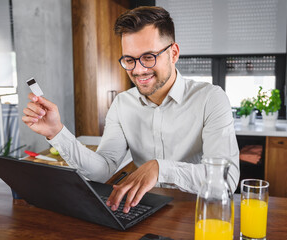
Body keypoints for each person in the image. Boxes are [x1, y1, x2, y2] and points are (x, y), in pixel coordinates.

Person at [22, 6, 239, 214]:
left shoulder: (210, 98)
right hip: (142, 212)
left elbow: (226, 180)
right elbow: (102, 170)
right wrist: (56, 132)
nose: (138, 70)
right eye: (129, 60)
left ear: (173, 53)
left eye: (148, 57)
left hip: (196, 213)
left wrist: (161, 168)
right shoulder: (121, 104)